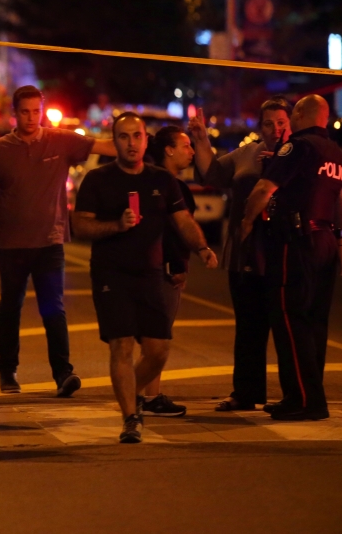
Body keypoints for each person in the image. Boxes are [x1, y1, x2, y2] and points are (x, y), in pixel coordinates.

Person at [72, 112, 217, 444]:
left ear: (145, 140)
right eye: (123, 137)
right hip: (111, 274)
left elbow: (182, 220)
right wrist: (116, 226)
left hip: (150, 275)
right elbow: (80, 226)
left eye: (136, 136)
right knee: (121, 345)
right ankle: (130, 417)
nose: (131, 143)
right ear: (115, 141)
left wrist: (202, 247)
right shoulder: (97, 179)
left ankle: (129, 392)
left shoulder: (162, 181)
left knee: (158, 350)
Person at [0, 86, 116, 396]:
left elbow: (105, 146)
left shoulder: (61, 141)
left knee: (53, 307)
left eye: (35, 111)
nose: (31, 117)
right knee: (9, 307)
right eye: (24, 112)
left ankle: (63, 373)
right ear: (14, 113)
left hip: (51, 241)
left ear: (42, 111)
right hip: (12, 244)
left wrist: (134, 136)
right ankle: (7, 372)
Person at [240, 95, 342, 422]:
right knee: (314, 323)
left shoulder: (297, 147)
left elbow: (262, 190)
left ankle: (304, 399)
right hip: (326, 240)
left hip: (296, 242)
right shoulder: (336, 153)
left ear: (299, 114)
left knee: (289, 318)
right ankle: (304, 395)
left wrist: (244, 223)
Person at [189, 98, 292, 412]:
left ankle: (297, 396)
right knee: (248, 326)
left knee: (289, 329)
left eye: (281, 123)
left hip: (285, 255)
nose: (275, 130)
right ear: (259, 127)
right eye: (268, 124)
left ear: (290, 124)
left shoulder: (301, 153)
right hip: (245, 253)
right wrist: (201, 138)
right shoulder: (247, 154)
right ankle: (246, 392)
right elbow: (211, 173)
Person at [141, 126, 198, 417]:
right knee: (157, 337)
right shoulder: (168, 186)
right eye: (186, 146)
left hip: (150, 269)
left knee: (151, 336)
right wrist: (177, 265)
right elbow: (173, 232)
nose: (191, 152)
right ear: (169, 150)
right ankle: (149, 397)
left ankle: (146, 395)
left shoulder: (154, 181)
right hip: (160, 271)